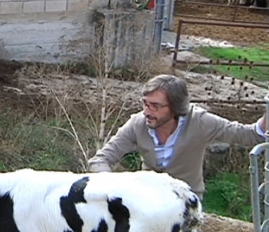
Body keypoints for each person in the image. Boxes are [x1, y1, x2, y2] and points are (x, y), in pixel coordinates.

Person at [87, 74, 267, 198]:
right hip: (147, 199)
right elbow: (99, 160)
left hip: (186, 200)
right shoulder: (137, 123)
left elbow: (251, 135)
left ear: (175, 108)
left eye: (155, 106)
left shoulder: (200, 121)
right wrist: (113, 187)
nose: (147, 111)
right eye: (145, 103)